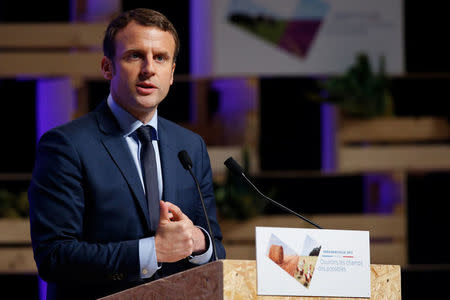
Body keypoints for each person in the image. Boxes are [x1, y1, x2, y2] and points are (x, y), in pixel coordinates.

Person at [28, 8, 225, 300]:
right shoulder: (66, 145)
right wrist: (151, 252)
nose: (149, 69)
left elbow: (216, 246)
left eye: (160, 58)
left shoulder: (190, 146)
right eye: (135, 56)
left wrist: (198, 242)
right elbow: (55, 256)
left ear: (171, 73)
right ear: (108, 68)